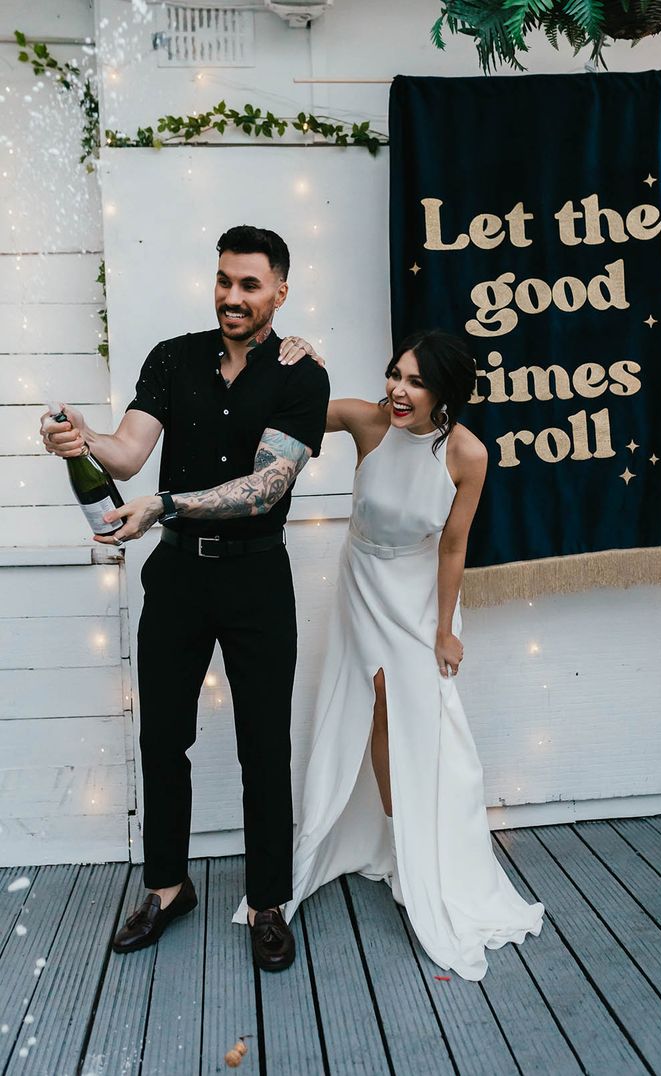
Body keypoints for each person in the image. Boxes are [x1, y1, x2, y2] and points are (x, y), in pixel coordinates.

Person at [40, 225, 329, 973]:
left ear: (280, 293)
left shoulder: (303, 376)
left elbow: (265, 487)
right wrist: (83, 439)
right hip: (176, 579)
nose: (233, 297)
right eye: (224, 281)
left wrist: (163, 504)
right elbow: (130, 450)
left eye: (250, 285)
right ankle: (167, 890)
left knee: (263, 745)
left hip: (258, 579)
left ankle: (268, 901)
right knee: (162, 739)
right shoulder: (172, 356)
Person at [233, 329, 544, 981]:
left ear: (447, 393)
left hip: (422, 595)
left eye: (415, 381)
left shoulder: (467, 454)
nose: (398, 391)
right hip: (364, 584)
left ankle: (433, 851)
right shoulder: (364, 421)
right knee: (373, 710)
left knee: (428, 723)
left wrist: (446, 630)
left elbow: (454, 545)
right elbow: (275, 414)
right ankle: (397, 840)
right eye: (394, 374)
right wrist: (296, 362)